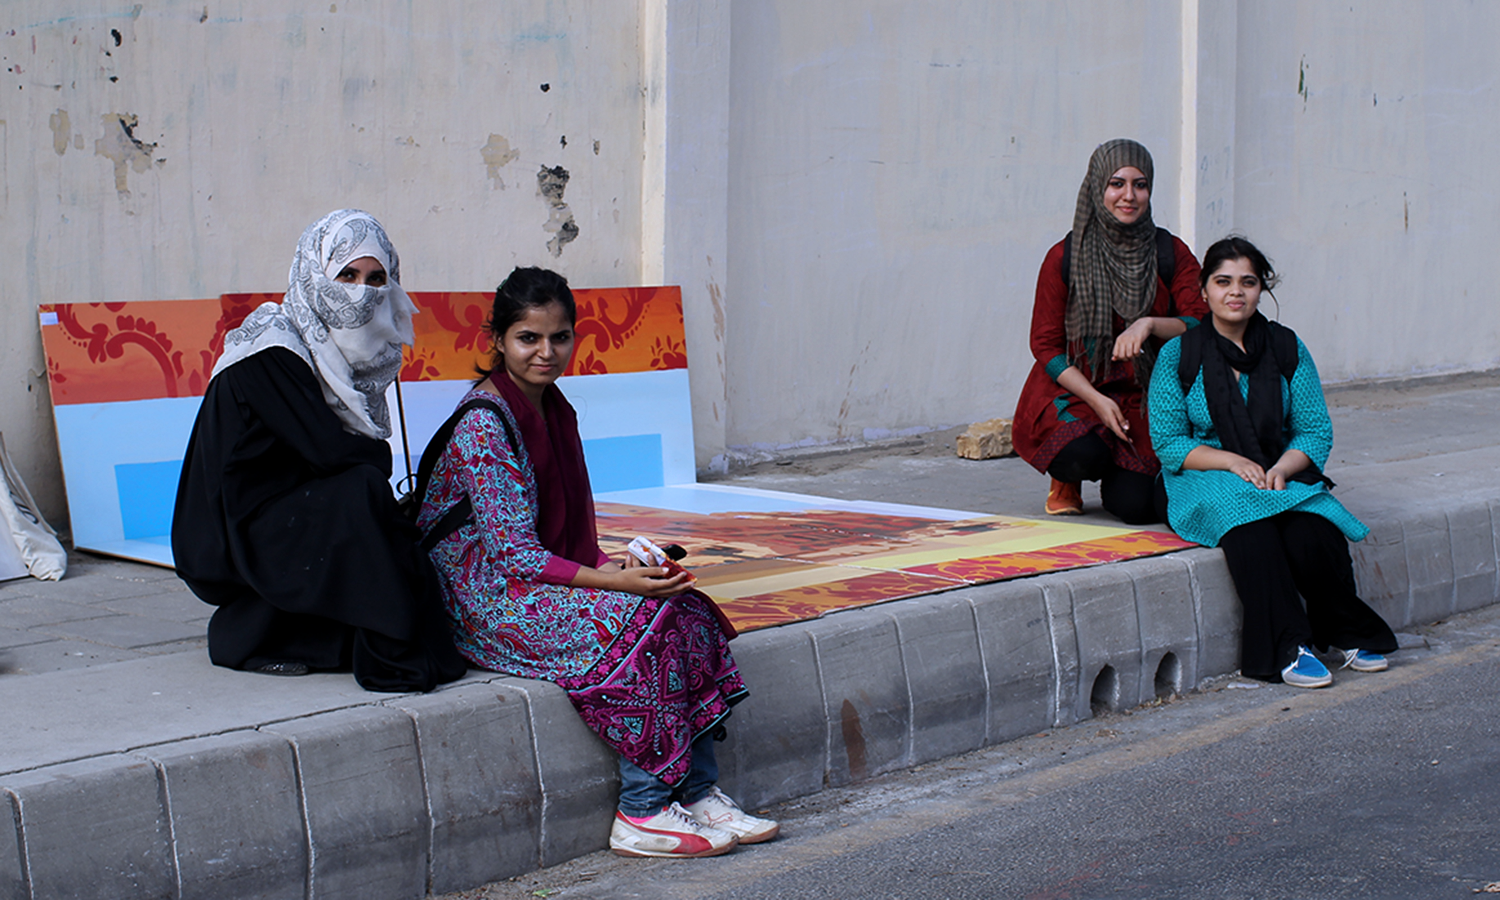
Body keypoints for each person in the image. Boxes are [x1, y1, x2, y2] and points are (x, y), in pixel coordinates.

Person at [418, 267, 778, 858]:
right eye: (528, 338)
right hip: (483, 600)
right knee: (643, 625)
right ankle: (643, 811)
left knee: (684, 607)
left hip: (531, 579)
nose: (545, 352)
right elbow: (511, 553)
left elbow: (567, 534)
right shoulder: (485, 422)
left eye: (559, 337)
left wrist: (628, 568)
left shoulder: (555, 408)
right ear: (498, 340)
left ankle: (696, 789)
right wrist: (614, 583)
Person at [172, 209, 467, 692]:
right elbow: (335, 453)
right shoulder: (273, 348)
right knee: (360, 496)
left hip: (285, 505)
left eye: (376, 279)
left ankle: (319, 636)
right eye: (346, 275)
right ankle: (244, 638)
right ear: (315, 272)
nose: (361, 293)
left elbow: (343, 455)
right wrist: (374, 470)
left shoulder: (331, 351)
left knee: (373, 505)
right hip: (231, 527)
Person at [1149, 236, 1397, 688]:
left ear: (1262, 289)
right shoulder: (1179, 354)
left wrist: (1283, 468)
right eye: (1223, 281)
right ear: (1204, 290)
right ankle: (1289, 645)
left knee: (1312, 532)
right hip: (1206, 475)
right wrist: (1229, 462)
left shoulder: (1286, 348)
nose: (1235, 292)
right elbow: (1168, 443)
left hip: (1275, 469)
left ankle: (1347, 631)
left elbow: (1314, 430)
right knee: (1254, 533)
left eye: (1248, 282)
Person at [1012, 139, 1207, 521]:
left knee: (1136, 508)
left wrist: (1148, 323)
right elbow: (1046, 345)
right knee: (1080, 454)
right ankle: (1067, 479)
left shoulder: (1170, 252)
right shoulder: (1064, 257)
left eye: (1140, 184)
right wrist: (1098, 402)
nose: (1129, 196)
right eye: (1117, 183)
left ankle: (1122, 473)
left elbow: (1200, 321)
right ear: (1098, 187)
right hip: (1078, 389)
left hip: (1144, 393)